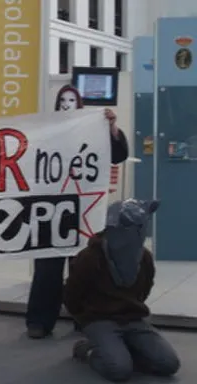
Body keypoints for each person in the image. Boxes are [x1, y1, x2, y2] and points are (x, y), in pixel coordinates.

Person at [25, 85, 130, 339]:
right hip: (52, 210)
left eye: (71, 99)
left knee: (83, 266)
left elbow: (118, 155)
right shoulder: (46, 131)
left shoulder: (93, 130)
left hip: (84, 207)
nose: (66, 103)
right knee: (47, 267)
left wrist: (112, 129)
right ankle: (39, 320)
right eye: (62, 99)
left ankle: (85, 318)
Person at [64, 199, 180, 382]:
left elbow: (144, 290)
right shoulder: (90, 257)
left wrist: (131, 308)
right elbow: (72, 294)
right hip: (99, 320)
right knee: (119, 370)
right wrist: (87, 317)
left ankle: (121, 349)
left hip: (133, 318)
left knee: (168, 364)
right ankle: (88, 350)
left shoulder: (144, 258)